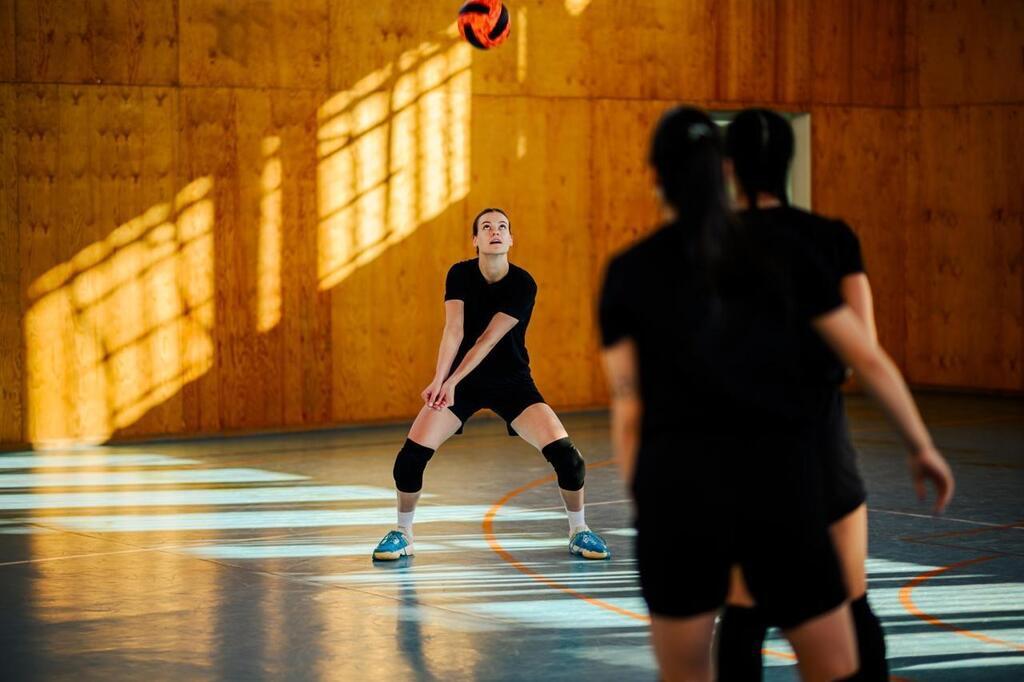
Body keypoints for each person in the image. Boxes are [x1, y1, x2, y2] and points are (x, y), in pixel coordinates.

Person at [598, 107, 954, 682]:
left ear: (655, 175)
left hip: (679, 492)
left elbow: (629, 406)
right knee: (836, 660)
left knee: (693, 663)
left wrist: (651, 504)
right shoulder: (780, 251)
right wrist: (919, 444)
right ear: (723, 172)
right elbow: (863, 353)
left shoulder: (628, 271)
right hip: (779, 479)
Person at [714, 108, 888, 681]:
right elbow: (863, 349)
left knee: (743, 612)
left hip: (743, 454)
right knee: (851, 601)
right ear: (789, 160)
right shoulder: (832, 238)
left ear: (729, 166)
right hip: (820, 446)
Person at [372, 208, 610, 561]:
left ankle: (579, 530)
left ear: (510, 239)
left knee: (569, 459)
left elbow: (486, 340)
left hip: (511, 381)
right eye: (486, 227)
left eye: (502, 227)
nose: (494, 231)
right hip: (461, 384)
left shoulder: (523, 283)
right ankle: (402, 533)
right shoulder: (460, 274)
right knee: (409, 460)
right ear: (476, 240)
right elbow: (453, 330)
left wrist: (450, 379)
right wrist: (439, 381)